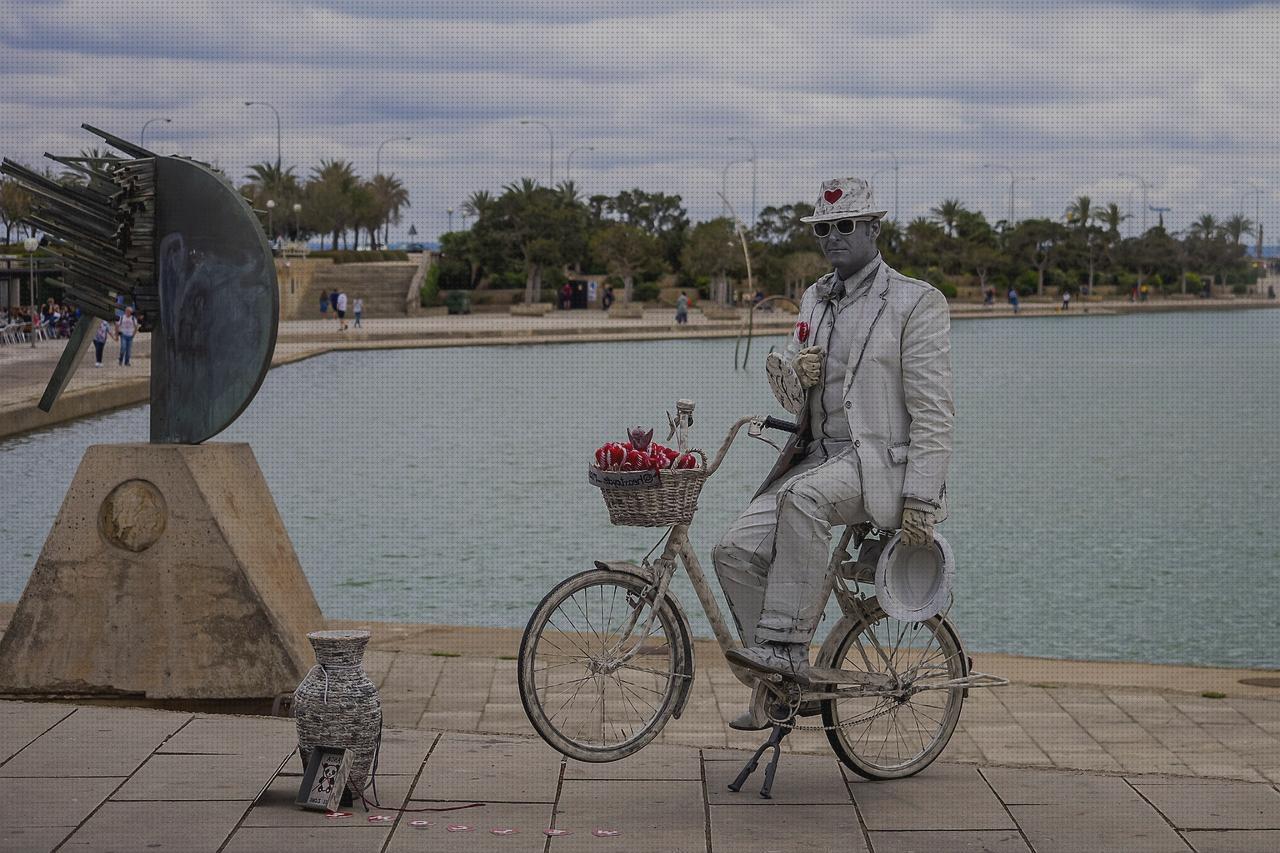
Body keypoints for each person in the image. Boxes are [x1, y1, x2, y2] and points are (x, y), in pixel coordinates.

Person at [714, 176, 953, 729]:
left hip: (878, 465)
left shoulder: (916, 302)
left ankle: (787, 650)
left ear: (873, 228)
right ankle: (778, 688)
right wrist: (793, 374)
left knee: (802, 499)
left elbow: (935, 410)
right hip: (818, 457)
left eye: (845, 225)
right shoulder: (815, 299)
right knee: (731, 549)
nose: (833, 237)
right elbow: (791, 392)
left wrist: (922, 494)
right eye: (824, 228)